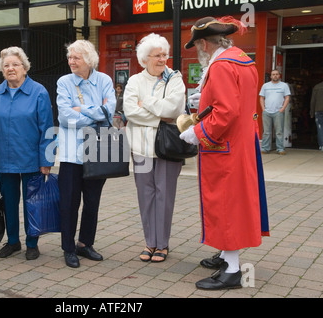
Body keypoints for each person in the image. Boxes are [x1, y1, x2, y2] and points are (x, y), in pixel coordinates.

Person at [180, 16, 269, 290]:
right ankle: (227, 260)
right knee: (235, 204)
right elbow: (239, 104)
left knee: (225, 206)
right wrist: (203, 100)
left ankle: (231, 270)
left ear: (204, 43)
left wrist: (197, 133)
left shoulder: (220, 66)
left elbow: (225, 112)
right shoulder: (243, 61)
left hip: (224, 147)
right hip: (241, 144)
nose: (198, 52)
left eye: (197, 46)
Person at [0, 47, 54, 260]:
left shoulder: (39, 91)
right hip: (3, 160)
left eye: (15, 64)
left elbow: (47, 129)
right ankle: (13, 241)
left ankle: (32, 242)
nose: (10, 68)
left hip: (31, 159)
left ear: (24, 67)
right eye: (6, 66)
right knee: (9, 204)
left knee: (32, 203)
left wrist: (46, 160)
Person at [123, 33, 185, 263]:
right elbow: (130, 111)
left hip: (167, 148)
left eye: (164, 55)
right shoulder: (135, 81)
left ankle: (163, 244)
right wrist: (158, 115)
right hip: (140, 148)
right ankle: (150, 242)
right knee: (145, 195)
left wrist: (146, 104)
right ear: (144, 58)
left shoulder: (174, 78)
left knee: (165, 195)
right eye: (157, 55)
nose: (162, 59)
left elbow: (173, 109)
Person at [56, 40, 116, 268]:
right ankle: (68, 248)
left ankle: (85, 244)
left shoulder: (104, 80)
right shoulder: (64, 82)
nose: (71, 62)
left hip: (98, 151)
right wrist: (95, 114)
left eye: (76, 58)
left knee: (92, 202)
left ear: (89, 60)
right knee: (69, 203)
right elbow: (64, 117)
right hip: (72, 154)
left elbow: (109, 111)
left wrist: (81, 110)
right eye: (70, 57)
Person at [259, 69, 291, 155]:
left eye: (277, 74)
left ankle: (280, 149)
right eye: (273, 74)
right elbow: (261, 97)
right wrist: (263, 109)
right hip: (267, 112)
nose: (275, 76)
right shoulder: (265, 86)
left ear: (279, 75)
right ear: (271, 76)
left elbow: (287, 98)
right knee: (266, 132)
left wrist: (282, 109)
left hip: (278, 112)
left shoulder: (284, 86)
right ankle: (265, 148)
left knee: (279, 131)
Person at [310, 80, 323, 151]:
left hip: (318, 110)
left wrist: (312, 112)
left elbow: (313, 101)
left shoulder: (317, 87)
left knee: (320, 128)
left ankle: (321, 146)